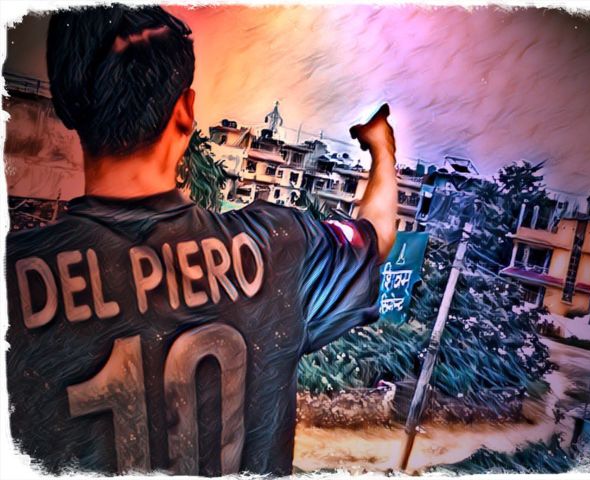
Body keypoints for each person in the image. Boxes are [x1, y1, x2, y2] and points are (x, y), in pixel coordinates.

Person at [5, 5, 398, 476]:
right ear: (186, 112)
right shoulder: (279, 248)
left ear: (69, 109)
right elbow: (376, 237)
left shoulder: (16, 284)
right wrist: (382, 147)